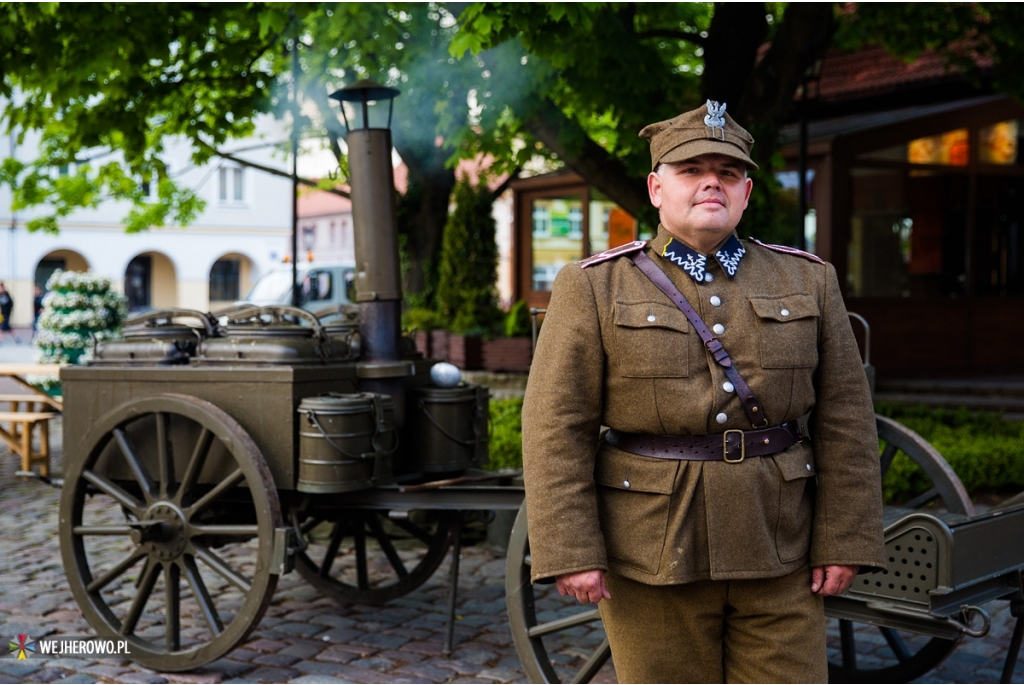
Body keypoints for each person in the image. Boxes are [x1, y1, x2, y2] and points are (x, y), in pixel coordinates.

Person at [521, 102, 885, 683]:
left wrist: (845, 538)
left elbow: (845, 417)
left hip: (780, 546)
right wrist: (572, 550)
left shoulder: (809, 279)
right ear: (656, 187)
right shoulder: (592, 286)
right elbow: (555, 428)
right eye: (691, 169)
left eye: (728, 171)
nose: (711, 180)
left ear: (745, 192)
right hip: (652, 550)